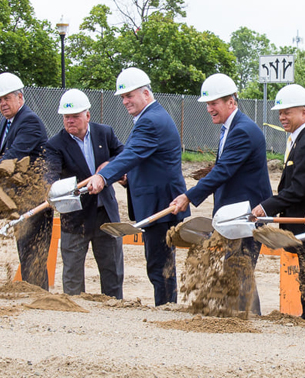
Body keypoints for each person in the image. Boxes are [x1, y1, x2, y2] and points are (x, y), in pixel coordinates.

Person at [169, 73, 272, 315]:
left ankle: (248, 320)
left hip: (246, 216)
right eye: (208, 104)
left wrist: (189, 196)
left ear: (231, 102)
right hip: (234, 216)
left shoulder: (243, 130)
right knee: (237, 269)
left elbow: (224, 171)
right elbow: (226, 168)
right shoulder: (231, 128)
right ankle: (244, 318)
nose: (209, 109)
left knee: (239, 268)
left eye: (214, 103)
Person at [88, 67, 190, 306]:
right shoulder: (151, 117)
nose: (125, 101)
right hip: (158, 204)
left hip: (160, 207)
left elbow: (132, 154)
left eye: (129, 95)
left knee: (160, 267)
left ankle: (165, 310)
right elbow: (145, 161)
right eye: (122, 97)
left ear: (145, 93)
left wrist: (104, 177)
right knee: (159, 265)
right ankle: (165, 307)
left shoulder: (151, 121)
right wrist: (126, 178)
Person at [251, 84, 305, 326]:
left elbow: (298, 190)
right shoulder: (300, 140)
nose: (282, 117)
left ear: (304, 113)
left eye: (287, 112)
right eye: (280, 113)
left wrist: (266, 207)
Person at [45, 89, 125, 298]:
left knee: (112, 271)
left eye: (75, 116)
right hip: (75, 217)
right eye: (66, 117)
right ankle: (74, 313)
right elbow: (50, 176)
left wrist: (110, 165)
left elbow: (123, 155)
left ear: (87, 116)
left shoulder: (104, 133)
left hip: (105, 214)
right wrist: (55, 188)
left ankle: (114, 309)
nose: (70, 121)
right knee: (72, 275)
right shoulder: (55, 145)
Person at [0, 72, 53, 291]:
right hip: (22, 198)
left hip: (35, 199)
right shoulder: (8, 122)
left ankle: (39, 296)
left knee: (34, 253)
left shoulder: (29, 121)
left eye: (7, 98)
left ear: (20, 97)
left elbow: (12, 156)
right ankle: (31, 293)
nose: (2, 103)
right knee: (25, 251)